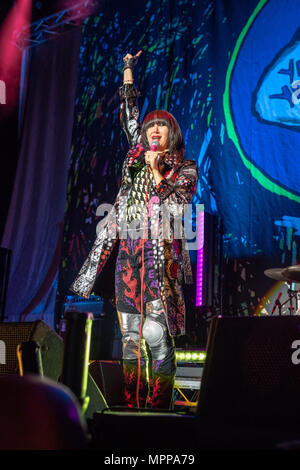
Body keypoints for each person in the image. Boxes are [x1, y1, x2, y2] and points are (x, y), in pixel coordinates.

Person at [70, 51, 198, 409]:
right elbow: (128, 114)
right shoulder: (135, 154)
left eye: (162, 125)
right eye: (150, 125)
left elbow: (177, 205)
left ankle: (160, 405)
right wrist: (127, 69)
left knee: (156, 334)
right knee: (129, 337)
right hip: (128, 252)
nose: (153, 129)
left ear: (172, 134)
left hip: (160, 257)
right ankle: (129, 405)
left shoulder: (184, 169)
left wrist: (158, 170)